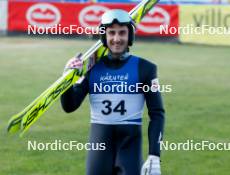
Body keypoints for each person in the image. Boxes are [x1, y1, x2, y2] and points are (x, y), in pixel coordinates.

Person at [61, 9, 165, 175]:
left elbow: (157, 113)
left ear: (130, 36)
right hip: (99, 146)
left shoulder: (145, 68)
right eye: (111, 33)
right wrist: (67, 80)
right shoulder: (91, 68)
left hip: (130, 146)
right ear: (104, 36)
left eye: (122, 33)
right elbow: (69, 106)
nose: (117, 39)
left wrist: (154, 155)